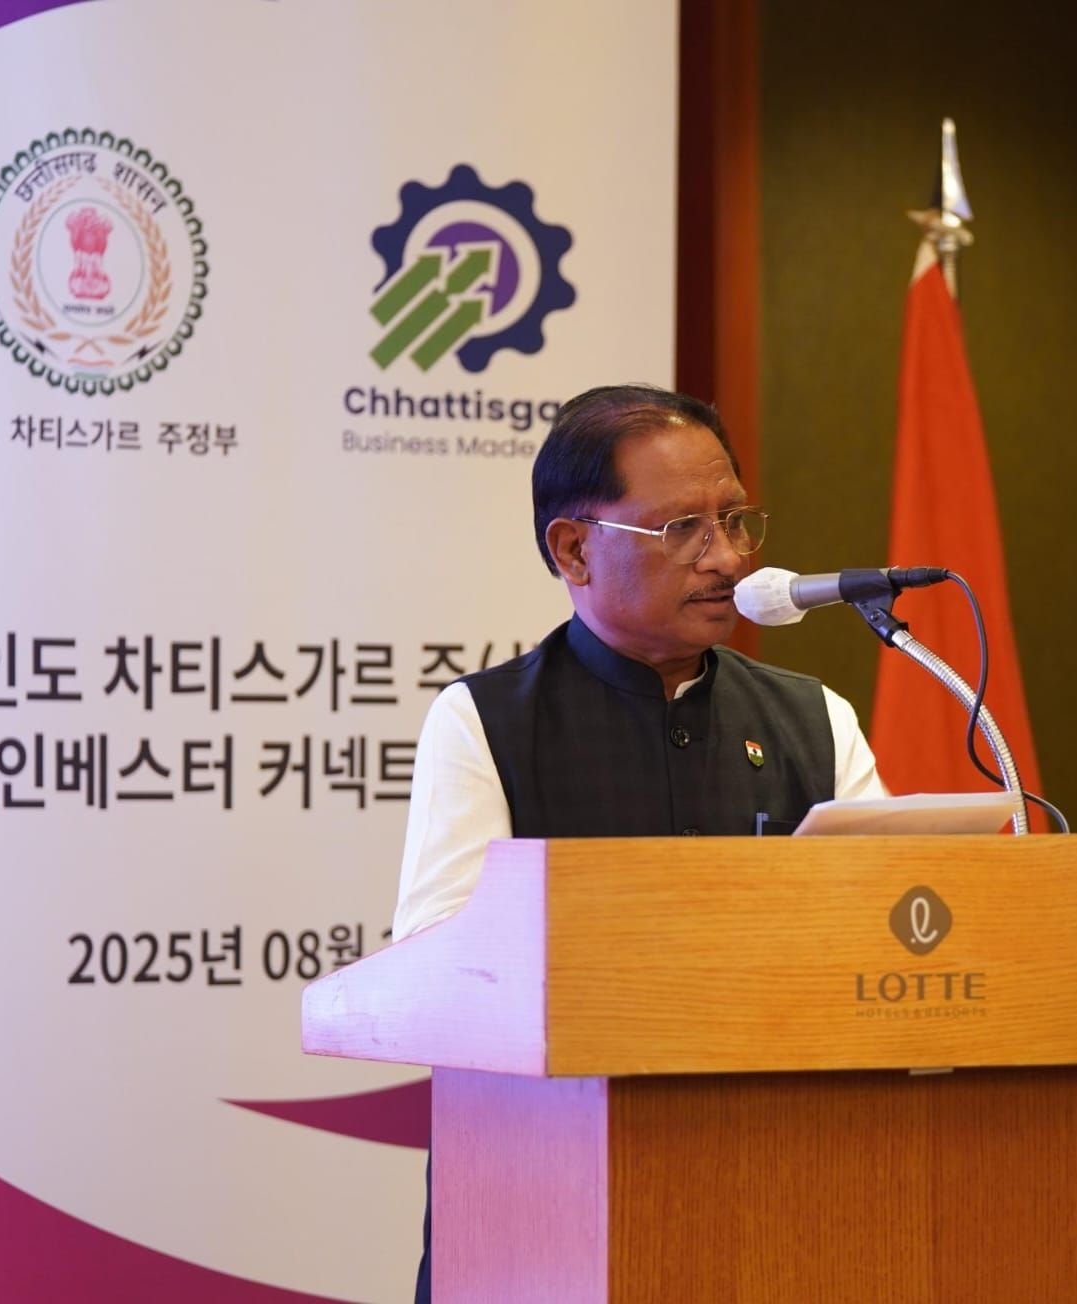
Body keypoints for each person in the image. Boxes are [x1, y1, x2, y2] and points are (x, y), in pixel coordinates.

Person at [393, 383, 886, 1300]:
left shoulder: (814, 718)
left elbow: (885, 942)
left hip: (778, 1188)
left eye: (733, 519)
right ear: (574, 549)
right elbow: (440, 971)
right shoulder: (485, 724)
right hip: (542, 1200)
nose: (728, 557)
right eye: (682, 529)